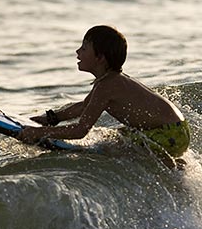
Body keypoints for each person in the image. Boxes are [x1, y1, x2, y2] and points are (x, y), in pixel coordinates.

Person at [18, 25, 190, 168]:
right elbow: (84, 106)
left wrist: (39, 133)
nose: (77, 51)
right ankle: (173, 165)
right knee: (116, 139)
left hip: (168, 134)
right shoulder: (110, 81)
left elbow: (80, 131)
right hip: (173, 130)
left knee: (114, 150)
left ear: (100, 58)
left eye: (84, 48)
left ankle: (170, 168)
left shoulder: (107, 85)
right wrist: (51, 118)